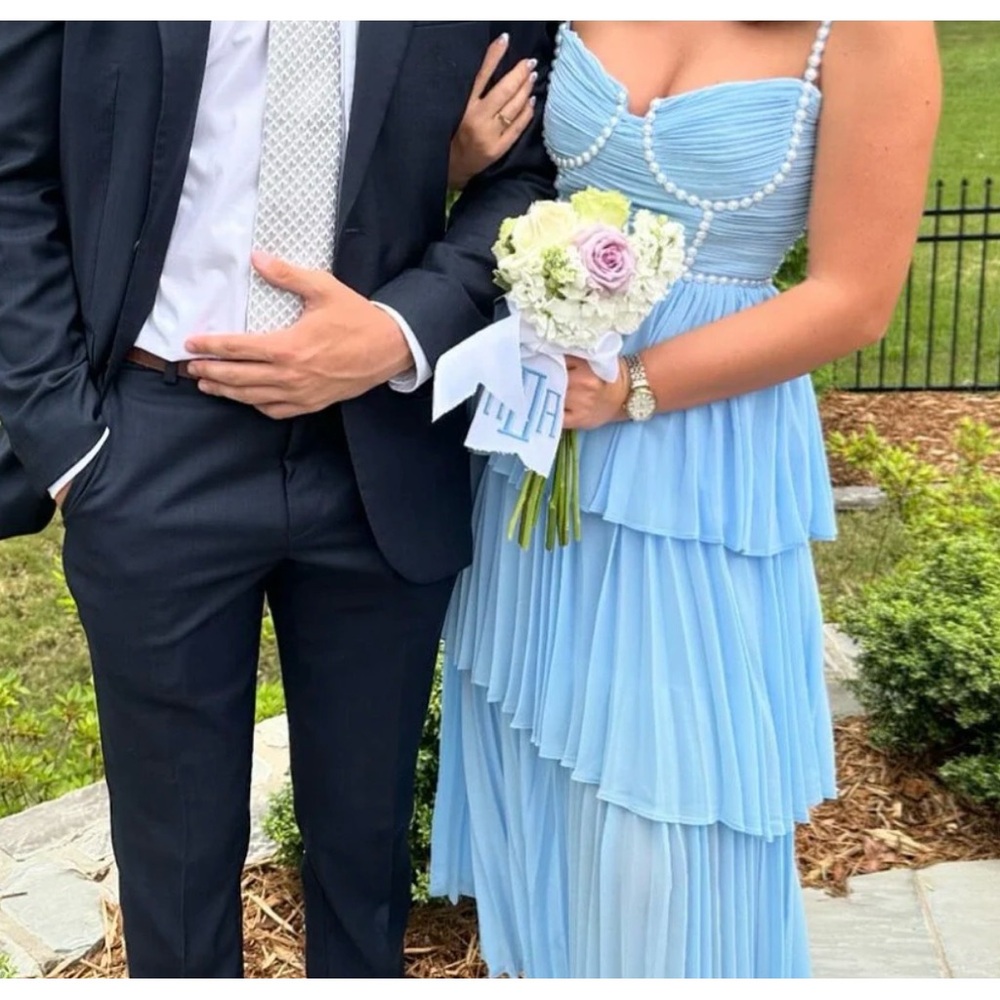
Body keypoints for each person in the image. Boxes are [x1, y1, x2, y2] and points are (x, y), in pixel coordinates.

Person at [0, 21, 555, 978]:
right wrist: (68, 441)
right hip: (151, 445)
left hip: (380, 449)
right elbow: (13, 175)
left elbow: (528, 172)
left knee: (366, 849)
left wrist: (399, 330)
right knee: (172, 871)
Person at [431, 20, 941, 978]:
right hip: (542, 435)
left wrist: (637, 387)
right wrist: (461, 165)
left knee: (665, 808)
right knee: (539, 764)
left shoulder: (871, 30)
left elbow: (855, 296)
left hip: (702, 462)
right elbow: (516, 176)